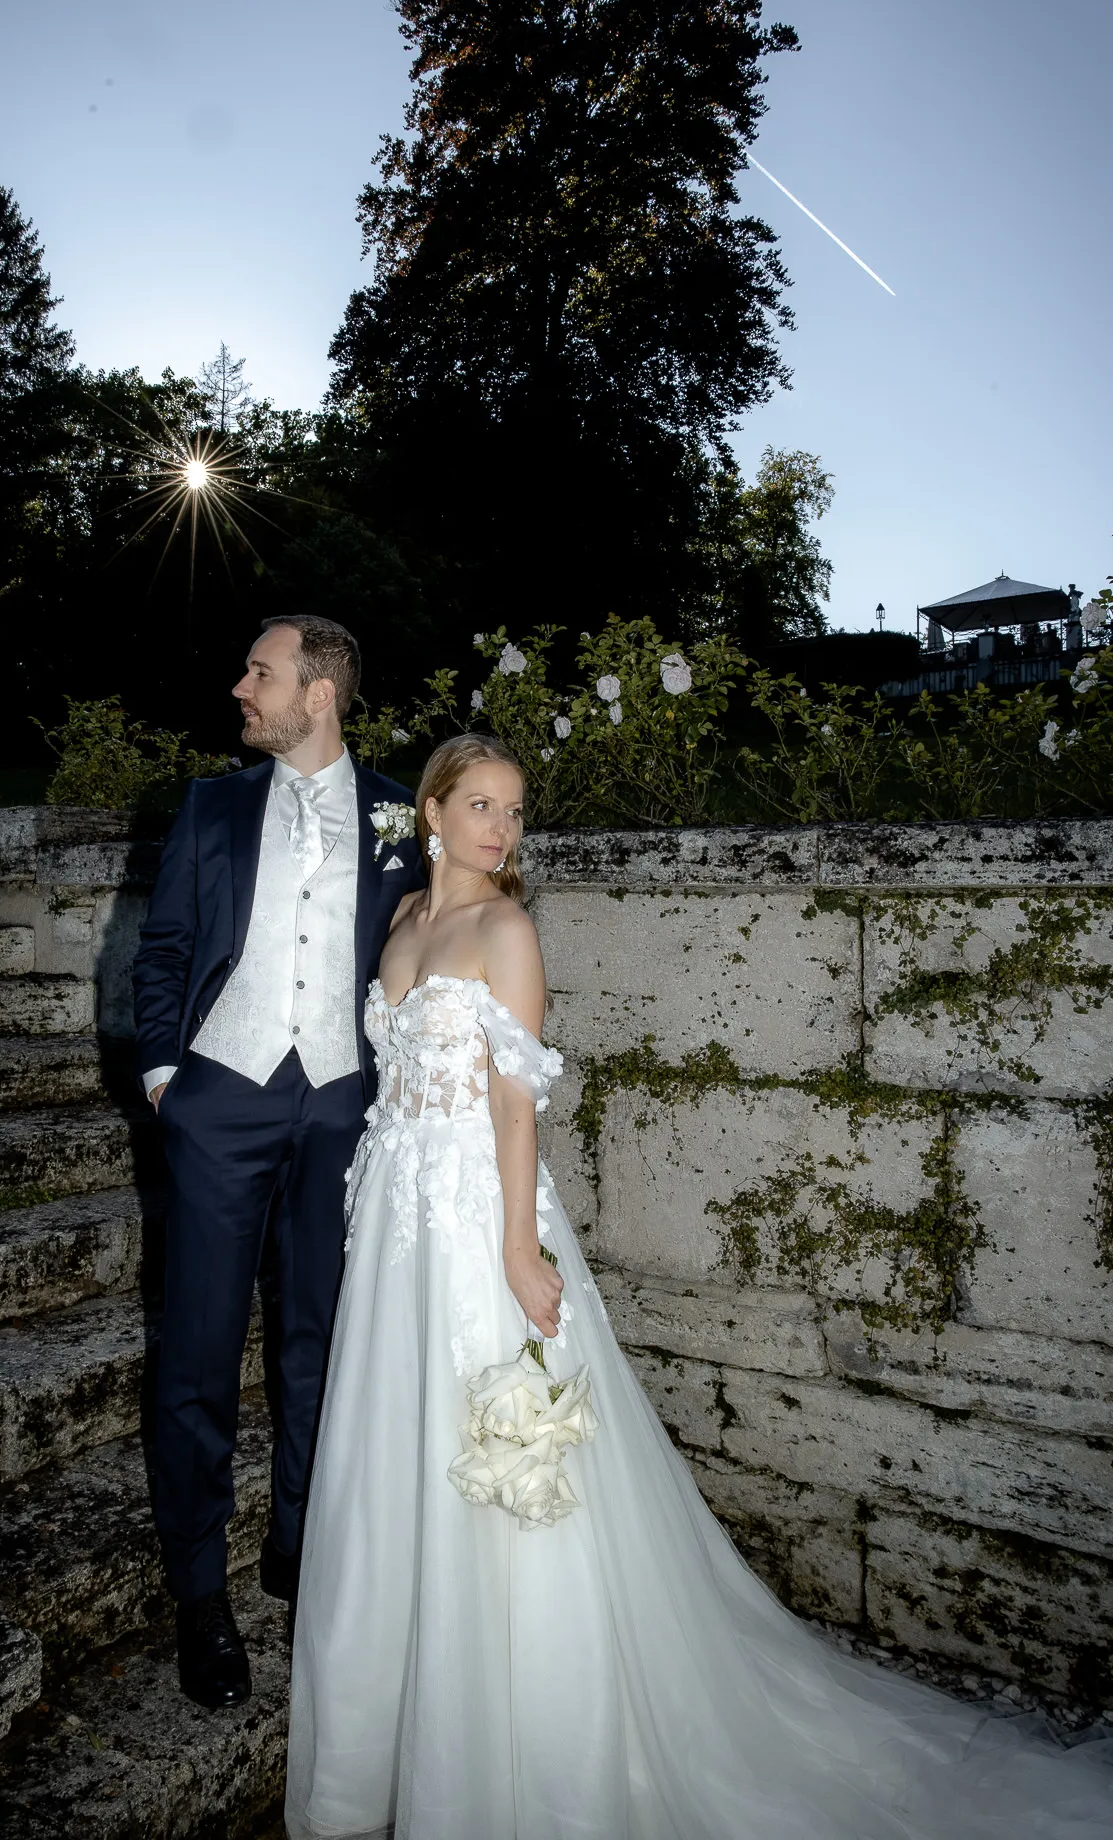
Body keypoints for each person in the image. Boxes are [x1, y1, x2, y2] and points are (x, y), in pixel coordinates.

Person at [285, 731, 1113, 1839]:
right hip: (392, 1213)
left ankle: (524, 1757)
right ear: (431, 813)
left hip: (477, 1216)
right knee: (403, 1450)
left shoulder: (507, 929)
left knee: (504, 1455)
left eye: (517, 809)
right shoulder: (400, 928)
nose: (502, 827)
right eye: (481, 804)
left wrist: (519, 1252)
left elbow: (517, 1104)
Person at [132, 615, 423, 1710]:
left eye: (262, 671)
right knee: (198, 1353)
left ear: (321, 691)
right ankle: (198, 1595)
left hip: (345, 1103)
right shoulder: (211, 804)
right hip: (220, 1095)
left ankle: (301, 1560)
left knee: (321, 1349)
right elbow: (162, 949)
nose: (241, 686)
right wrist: (168, 1077)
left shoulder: (403, 811)